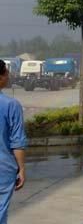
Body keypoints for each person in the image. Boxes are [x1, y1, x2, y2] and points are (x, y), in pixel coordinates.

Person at [0, 59, 27, 223]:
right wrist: (22, 169)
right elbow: (17, 141)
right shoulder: (11, 105)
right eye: (6, 73)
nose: (8, 76)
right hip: (3, 170)